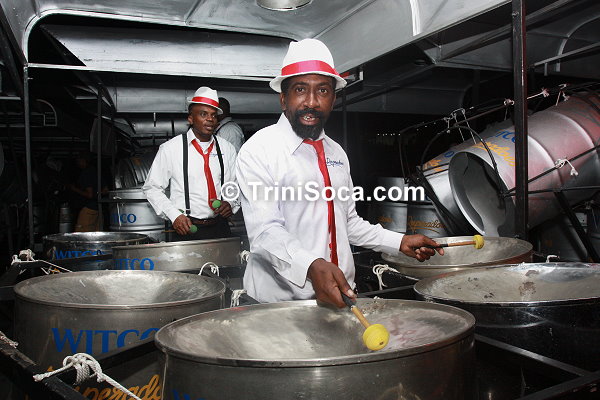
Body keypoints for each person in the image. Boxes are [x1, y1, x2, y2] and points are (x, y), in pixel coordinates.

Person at [236, 39, 443, 307]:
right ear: (283, 98)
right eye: (300, 89)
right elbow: (265, 232)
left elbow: (348, 223)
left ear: (333, 99)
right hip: (280, 305)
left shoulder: (337, 152)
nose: (312, 102)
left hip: (342, 296)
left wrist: (399, 241)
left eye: (323, 90)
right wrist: (311, 265)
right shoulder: (259, 150)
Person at [143, 87, 239, 241]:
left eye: (214, 115)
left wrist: (231, 203)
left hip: (220, 227)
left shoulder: (227, 148)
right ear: (191, 118)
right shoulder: (171, 149)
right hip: (186, 228)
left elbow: (234, 184)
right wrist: (174, 215)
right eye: (203, 114)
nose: (210, 119)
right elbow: (152, 188)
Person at [69, 152, 101, 232]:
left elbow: (90, 195)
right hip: (98, 208)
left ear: (83, 160)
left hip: (88, 208)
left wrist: (74, 189)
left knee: (81, 234)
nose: (77, 163)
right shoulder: (96, 171)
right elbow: (105, 190)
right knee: (95, 234)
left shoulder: (86, 173)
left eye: (78, 161)